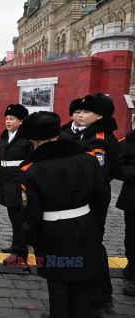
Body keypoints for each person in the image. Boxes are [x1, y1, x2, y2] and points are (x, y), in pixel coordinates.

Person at [19, 111, 109, 318]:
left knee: (58, 286)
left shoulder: (31, 169)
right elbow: (102, 198)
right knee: (83, 283)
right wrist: (94, 226)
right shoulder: (88, 158)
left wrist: (32, 239)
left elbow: (31, 216)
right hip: (86, 228)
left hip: (52, 234)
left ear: (33, 138)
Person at [78, 93, 121, 314]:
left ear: (100, 115)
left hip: (92, 202)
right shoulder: (93, 135)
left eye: (86, 111)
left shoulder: (98, 140)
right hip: (93, 199)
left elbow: (96, 175)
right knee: (94, 248)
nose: (81, 114)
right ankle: (102, 298)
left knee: (91, 249)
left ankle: (96, 301)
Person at [0, 104, 32, 265]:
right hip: (5, 182)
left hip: (18, 183)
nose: (8, 122)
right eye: (7, 118)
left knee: (19, 219)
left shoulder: (27, 138)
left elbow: (31, 161)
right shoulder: (5, 135)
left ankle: (20, 253)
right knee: (13, 216)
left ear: (21, 121)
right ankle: (17, 245)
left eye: (12, 119)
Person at [115, 128, 135, 296]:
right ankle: (132, 266)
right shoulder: (128, 142)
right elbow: (116, 166)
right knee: (131, 238)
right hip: (133, 200)